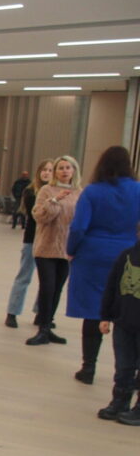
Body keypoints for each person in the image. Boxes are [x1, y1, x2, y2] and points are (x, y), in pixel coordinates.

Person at [67, 146, 140, 385]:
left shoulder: (92, 191)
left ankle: (88, 367)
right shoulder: (138, 190)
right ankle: (130, 373)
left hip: (93, 255)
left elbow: (79, 227)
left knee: (93, 310)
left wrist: (71, 249)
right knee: (129, 310)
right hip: (130, 256)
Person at [26, 155, 82, 346]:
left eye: (68, 168)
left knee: (57, 289)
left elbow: (80, 220)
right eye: (61, 168)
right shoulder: (46, 190)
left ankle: (48, 326)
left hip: (67, 250)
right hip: (46, 248)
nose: (64, 171)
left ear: (74, 171)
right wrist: (55, 200)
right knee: (47, 287)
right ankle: (42, 328)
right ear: (55, 172)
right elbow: (39, 216)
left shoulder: (79, 193)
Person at [96, 223, 140, 423]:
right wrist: (105, 316)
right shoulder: (126, 256)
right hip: (123, 322)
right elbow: (112, 286)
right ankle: (120, 401)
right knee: (123, 366)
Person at [5, 159, 54, 328]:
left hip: (50, 241)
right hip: (32, 240)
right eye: (44, 169)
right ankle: (12, 312)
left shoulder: (58, 192)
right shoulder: (31, 191)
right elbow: (37, 215)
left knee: (47, 280)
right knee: (24, 276)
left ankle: (41, 313)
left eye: (50, 170)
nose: (47, 173)